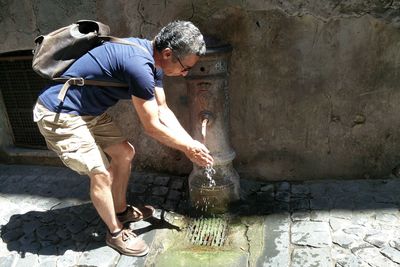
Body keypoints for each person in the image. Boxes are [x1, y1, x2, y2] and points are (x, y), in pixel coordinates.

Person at [33, 21, 214, 257]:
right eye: (185, 67)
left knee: (124, 152)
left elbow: (162, 110)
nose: (185, 73)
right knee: (101, 173)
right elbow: (151, 126)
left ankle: (120, 211)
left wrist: (191, 142)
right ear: (168, 53)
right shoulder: (139, 66)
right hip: (59, 112)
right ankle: (115, 233)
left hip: (87, 113)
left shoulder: (154, 61)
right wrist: (188, 149)